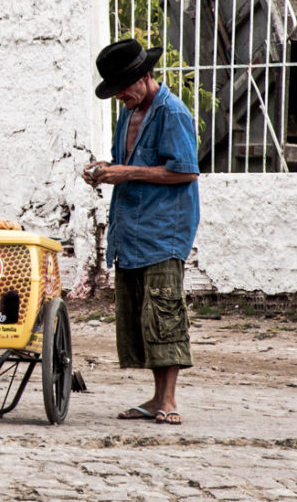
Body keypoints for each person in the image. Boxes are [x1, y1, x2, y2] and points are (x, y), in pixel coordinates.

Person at [82, 39, 200, 426]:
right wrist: (106, 168)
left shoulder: (172, 112)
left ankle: (168, 400)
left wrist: (126, 173)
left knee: (164, 311)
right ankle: (155, 398)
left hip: (164, 229)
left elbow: (184, 171)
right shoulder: (128, 113)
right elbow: (129, 163)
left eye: (125, 87)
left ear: (145, 76)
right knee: (142, 315)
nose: (120, 96)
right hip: (131, 228)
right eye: (115, 91)